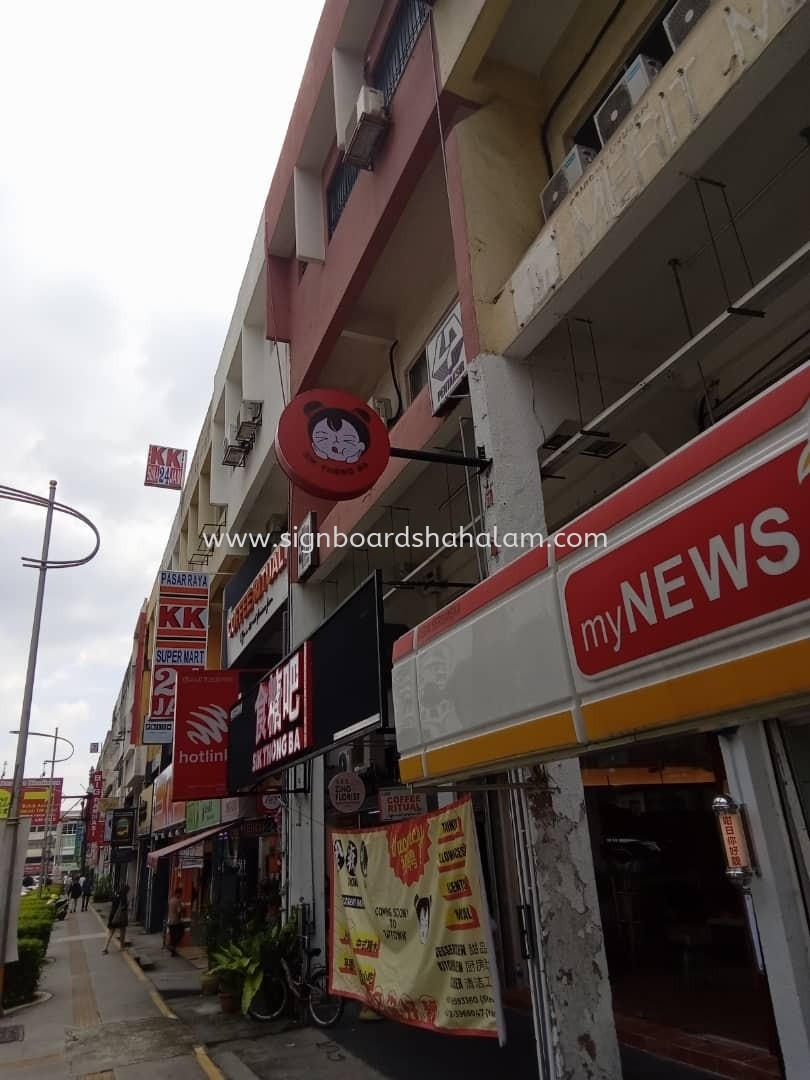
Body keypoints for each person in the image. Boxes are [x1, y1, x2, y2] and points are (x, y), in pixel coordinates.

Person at [103, 883, 130, 953]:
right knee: (122, 932)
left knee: (111, 933)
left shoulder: (116, 894)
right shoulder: (123, 897)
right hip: (120, 918)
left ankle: (105, 947)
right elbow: (124, 908)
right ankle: (121, 947)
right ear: (126, 891)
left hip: (112, 916)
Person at [166, 888, 184, 957]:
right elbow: (179, 911)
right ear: (177, 893)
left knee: (173, 936)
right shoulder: (177, 901)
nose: (181, 895)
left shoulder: (171, 900)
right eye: (180, 893)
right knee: (181, 933)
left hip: (170, 921)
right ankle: (173, 948)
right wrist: (180, 918)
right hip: (176, 922)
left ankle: (172, 951)